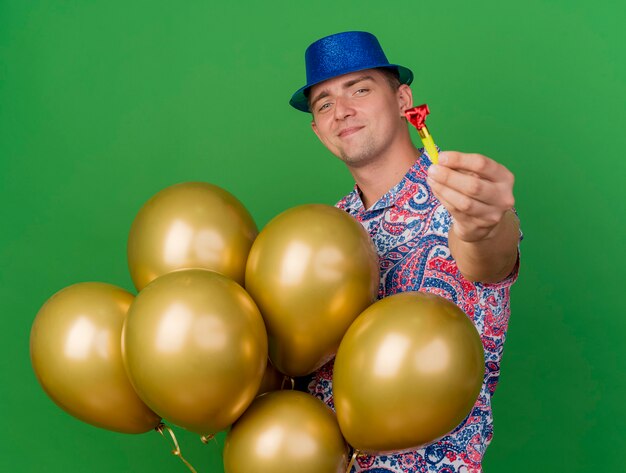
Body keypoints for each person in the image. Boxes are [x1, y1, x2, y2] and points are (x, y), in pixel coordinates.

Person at [289, 31, 521, 473]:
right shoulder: (322, 234)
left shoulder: (457, 195)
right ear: (318, 131)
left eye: (359, 89)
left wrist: (484, 225)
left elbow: (489, 255)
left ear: (402, 99)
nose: (342, 111)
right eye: (324, 104)